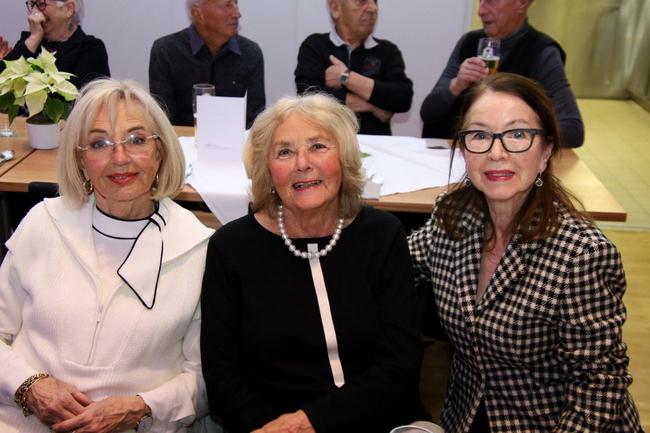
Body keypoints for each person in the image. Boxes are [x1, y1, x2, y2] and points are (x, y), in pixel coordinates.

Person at [409, 73, 642, 433]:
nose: (496, 152)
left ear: (546, 151)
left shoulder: (582, 255)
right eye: (480, 135)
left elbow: (599, 387)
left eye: (517, 134)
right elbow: (392, 267)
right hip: (466, 416)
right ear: (463, 148)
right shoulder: (452, 218)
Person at [200, 93, 428, 433]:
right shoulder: (231, 248)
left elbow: (401, 363)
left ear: (344, 158)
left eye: (318, 146)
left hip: (381, 418)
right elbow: (223, 377)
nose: (302, 163)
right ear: (266, 170)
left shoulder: (382, 235)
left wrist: (311, 422)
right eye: (284, 152)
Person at [0, 79, 214, 432]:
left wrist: (140, 408)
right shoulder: (44, 223)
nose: (120, 158)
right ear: (81, 161)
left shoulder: (199, 248)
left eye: (137, 140)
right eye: (99, 143)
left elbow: (206, 377)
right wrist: (29, 386)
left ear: (160, 152)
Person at [420, 0, 584, 148]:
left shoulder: (542, 52)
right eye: (480, 1)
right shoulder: (469, 42)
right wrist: (457, 85)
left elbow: (573, 130)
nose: (481, 11)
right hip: (454, 156)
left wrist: (514, 135)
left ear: (522, 3)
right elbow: (427, 113)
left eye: (491, 1)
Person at [294, 0, 413, 136]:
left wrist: (346, 77)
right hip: (325, 140)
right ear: (335, 8)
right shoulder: (315, 45)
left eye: (375, 2)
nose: (373, 8)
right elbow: (309, 95)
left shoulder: (387, 50)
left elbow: (402, 99)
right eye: (361, 2)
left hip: (375, 144)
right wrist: (372, 107)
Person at [149, 0, 265, 129]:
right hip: (179, 140)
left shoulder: (250, 53)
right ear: (198, 14)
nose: (237, 13)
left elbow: (255, 121)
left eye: (236, 3)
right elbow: (163, 122)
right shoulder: (166, 51)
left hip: (235, 140)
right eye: (227, 5)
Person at [0, 0, 110, 90]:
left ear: (68, 9)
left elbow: (79, 100)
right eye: (32, 4)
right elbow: (3, 84)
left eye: (41, 4)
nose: (33, 13)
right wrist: (34, 38)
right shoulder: (29, 41)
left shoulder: (91, 49)